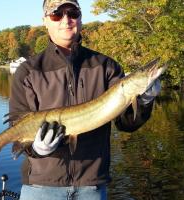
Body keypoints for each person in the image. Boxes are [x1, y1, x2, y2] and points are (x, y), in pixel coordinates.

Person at [9, 0, 161, 199]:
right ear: (45, 21)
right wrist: (37, 149)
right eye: (56, 14)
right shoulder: (28, 71)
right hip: (41, 186)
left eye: (72, 13)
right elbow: (18, 124)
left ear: (80, 18)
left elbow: (127, 123)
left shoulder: (107, 67)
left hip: (91, 187)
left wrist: (144, 101)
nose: (66, 20)